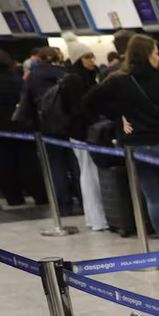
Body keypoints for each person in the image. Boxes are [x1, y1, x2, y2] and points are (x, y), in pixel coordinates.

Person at [84, 34, 159, 251]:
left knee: (154, 198)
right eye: (155, 53)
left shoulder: (118, 80)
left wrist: (118, 116)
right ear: (146, 55)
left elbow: (88, 102)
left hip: (138, 147)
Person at [0, 49, 45, 206]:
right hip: (22, 125)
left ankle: (14, 197)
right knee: (28, 162)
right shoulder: (20, 80)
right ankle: (39, 195)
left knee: (4, 164)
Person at [20, 47, 79, 215]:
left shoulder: (33, 76)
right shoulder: (66, 73)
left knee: (56, 167)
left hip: (47, 126)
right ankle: (83, 201)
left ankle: (63, 206)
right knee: (75, 164)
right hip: (70, 124)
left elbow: (27, 103)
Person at [59, 37, 108, 231]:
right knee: (89, 175)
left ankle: (96, 217)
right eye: (86, 57)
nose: (91, 60)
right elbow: (79, 108)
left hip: (88, 131)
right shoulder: (74, 80)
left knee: (90, 174)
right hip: (81, 133)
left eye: (92, 56)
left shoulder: (88, 76)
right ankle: (97, 218)